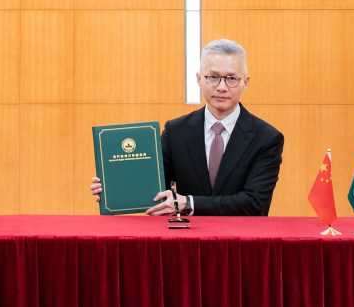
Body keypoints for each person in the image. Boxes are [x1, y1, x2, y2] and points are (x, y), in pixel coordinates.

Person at [90, 39, 283, 216]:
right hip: (187, 237)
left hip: (241, 239)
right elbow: (154, 186)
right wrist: (114, 189)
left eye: (231, 78)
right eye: (213, 77)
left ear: (245, 83)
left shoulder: (266, 138)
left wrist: (189, 203)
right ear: (199, 79)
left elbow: (255, 203)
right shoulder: (176, 131)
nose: (222, 87)